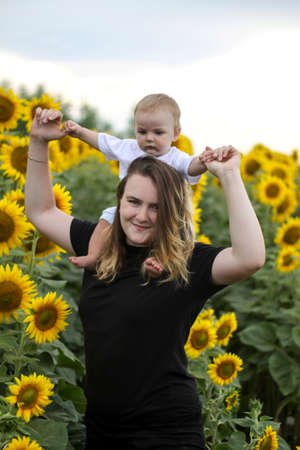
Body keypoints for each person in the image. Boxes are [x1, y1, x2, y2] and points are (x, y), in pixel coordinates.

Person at [25, 107, 265, 450]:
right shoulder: (100, 246)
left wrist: (229, 176)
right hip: (103, 430)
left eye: (155, 207)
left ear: (171, 211)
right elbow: (41, 211)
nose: (141, 215)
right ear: (119, 200)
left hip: (166, 433)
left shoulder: (184, 262)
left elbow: (250, 258)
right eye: (133, 202)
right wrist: (38, 142)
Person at [62, 93, 227, 274]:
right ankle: (93, 256)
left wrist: (203, 161)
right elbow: (103, 142)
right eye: (142, 131)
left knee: (184, 233)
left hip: (169, 212)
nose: (149, 138)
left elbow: (191, 167)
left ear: (175, 133)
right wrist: (79, 132)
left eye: (158, 132)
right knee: (106, 218)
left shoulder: (175, 157)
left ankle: (165, 263)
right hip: (131, 210)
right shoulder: (128, 148)